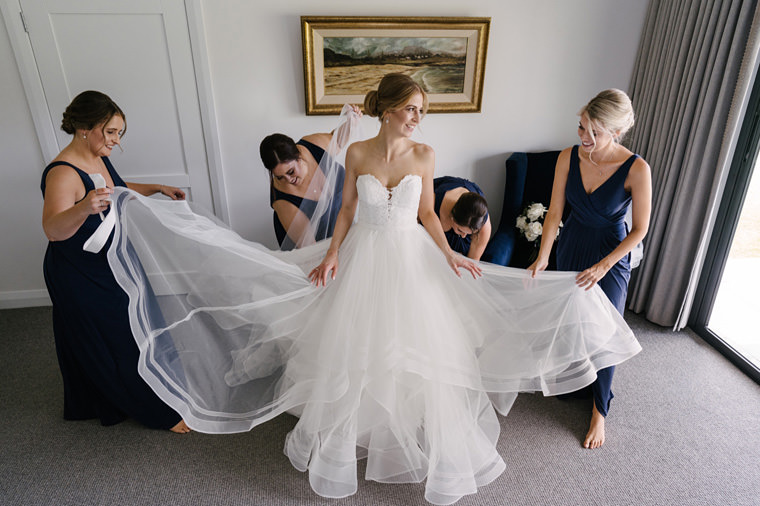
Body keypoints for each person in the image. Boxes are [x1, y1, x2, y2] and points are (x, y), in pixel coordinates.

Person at [101, 74, 641, 505]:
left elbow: (429, 212)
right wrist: (333, 252)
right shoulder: (357, 154)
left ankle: (411, 431)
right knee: (353, 344)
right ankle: (354, 430)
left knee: (415, 345)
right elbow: (348, 212)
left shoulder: (425, 156)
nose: (416, 118)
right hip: (362, 255)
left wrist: (450, 253)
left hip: (409, 258)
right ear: (387, 109)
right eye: (410, 109)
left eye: (421, 111)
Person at [41, 90, 190, 433]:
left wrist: (154, 187)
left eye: (119, 133)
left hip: (108, 261)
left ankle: (98, 396)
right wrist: (83, 208)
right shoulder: (62, 174)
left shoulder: (96, 157)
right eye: (110, 132)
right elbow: (52, 229)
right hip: (77, 270)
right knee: (117, 333)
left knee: (130, 322)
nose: (116, 142)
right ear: (85, 127)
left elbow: (115, 187)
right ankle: (156, 412)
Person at [529, 88, 652, 449]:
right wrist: (543, 257)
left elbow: (641, 228)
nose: (585, 138)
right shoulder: (569, 157)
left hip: (611, 254)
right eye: (582, 127)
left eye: (594, 132)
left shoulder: (636, 169)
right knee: (574, 320)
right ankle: (578, 379)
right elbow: (554, 213)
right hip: (573, 244)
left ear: (615, 132)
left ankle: (601, 409)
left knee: (606, 328)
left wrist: (604, 264)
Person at [260, 105, 362, 250]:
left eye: (290, 172)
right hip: (316, 251)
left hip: (347, 233)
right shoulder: (283, 202)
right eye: (280, 177)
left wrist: (351, 123)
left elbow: (337, 141)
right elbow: (309, 248)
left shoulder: (312, 145)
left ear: (299, 155)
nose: (289, 180)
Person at [432, 176, 492, 260]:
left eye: (469, 233)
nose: (464, 236)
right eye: (460, 230)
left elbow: (474, 261)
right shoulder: (433, 203)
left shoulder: (482, 226)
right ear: (452, 217)